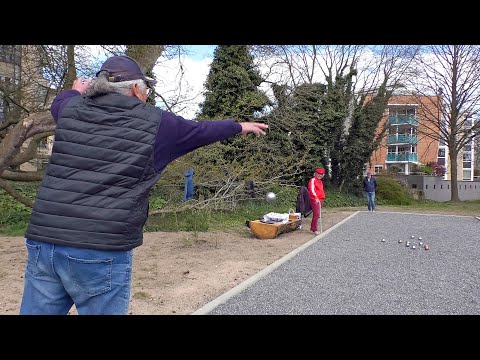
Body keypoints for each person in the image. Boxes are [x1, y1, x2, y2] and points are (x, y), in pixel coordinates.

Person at [19, 55, 268, 315]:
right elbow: (201, 130)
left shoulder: (70, 108)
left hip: (44, 241)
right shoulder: (158, 123)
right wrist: (238, 126)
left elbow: (59, 101)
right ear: (137, 90)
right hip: (101, 245)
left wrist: (74, 89)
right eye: (146, 89)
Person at [307, 168, 326, 235]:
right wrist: (316, 198)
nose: (319, 175)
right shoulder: (313, 180)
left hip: (320, 199)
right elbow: (311, 190)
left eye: (321, 174)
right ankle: (314, 229)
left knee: (317, 215)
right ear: (315, 173)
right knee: (316, 214)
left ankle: (313, 228)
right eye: (318, 174)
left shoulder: (320, 182)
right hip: (314, 199)